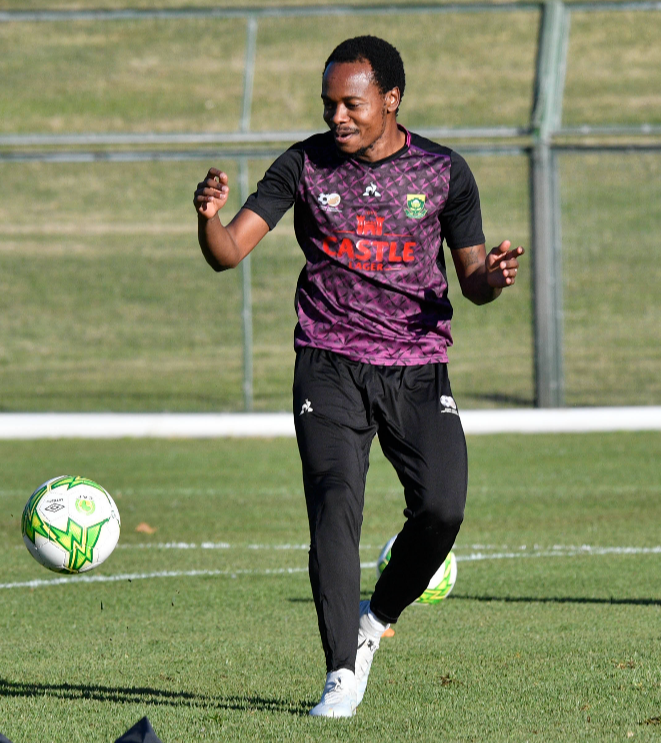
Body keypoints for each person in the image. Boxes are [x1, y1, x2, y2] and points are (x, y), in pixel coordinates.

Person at [193, 35, 523, 718]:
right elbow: (229, 253)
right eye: (328, 105)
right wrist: (207, 219)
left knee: (443, 507)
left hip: (416, 363)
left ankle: (376, 619)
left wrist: (492, 276)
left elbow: (472, 283)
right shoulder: (303, 165)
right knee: (335, 504)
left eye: (351, 104)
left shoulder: (443, 171)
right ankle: (340, 671)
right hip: (328, 361)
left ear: (391, 100)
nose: (336, 117)